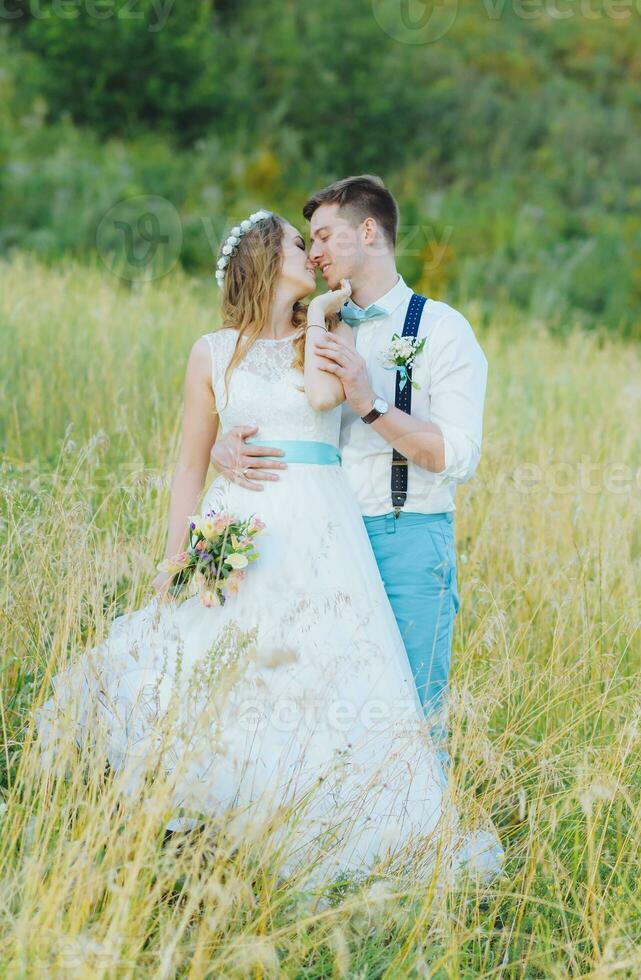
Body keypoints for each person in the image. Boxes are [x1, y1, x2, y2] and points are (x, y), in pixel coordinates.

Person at [32, 206, 503, 888]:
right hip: (243, 517)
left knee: (322, 670)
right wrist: (175, 556)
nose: (309, 254)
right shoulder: (211, 351)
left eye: (313, 242)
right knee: (219, 661)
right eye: (294, 243)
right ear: (262, 256)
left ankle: (317, 826)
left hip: (318, 521)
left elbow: (318, 398)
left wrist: (319, 316)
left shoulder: (326, 331)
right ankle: (203, 822)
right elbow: (190, 463)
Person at [210, 175, 489, 761]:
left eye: (325, 236)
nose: (313, 252)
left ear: (368, 232)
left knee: (410, 720)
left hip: (405, 537)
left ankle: (417, 851)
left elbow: (455, 457)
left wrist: (370, 401)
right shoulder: (309, 324)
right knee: (315, 717)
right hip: (318, 544)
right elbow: (272, 408)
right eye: (306, 240)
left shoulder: (441, 329)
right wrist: (224, 448)